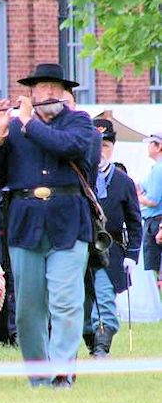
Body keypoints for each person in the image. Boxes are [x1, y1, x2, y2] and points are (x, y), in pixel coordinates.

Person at [0, 63, 96, 388]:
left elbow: (68, 147)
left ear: (62, 92)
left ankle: (62, 372)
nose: (47, 93)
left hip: (69, 222)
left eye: (53, 87)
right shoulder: (16, 126)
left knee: (65, 301)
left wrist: (27, 122)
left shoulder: (78, 121)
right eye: (40, 88)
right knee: (28, 310)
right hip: (25, 222)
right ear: (31, 92)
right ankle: (39, 375)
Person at [83, 119, 141, 357]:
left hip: (111, 250)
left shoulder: (124, 182)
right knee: (83, 304)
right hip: (80, 247)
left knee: (105, 298)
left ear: (113, 147)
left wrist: (132, 255)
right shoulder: (78, 177)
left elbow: (135, 221)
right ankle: (91, 339)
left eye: (105, 145)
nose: (100, 150)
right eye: (96, 145)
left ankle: (101, 348)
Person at [138, 130, 162, 284]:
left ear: (159, 146)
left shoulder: (159, 168)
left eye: (151, 144)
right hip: (156, 222)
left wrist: (136, 197)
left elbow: (153, 200)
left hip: (155, 223)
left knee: (156, 273)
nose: (148, 147)